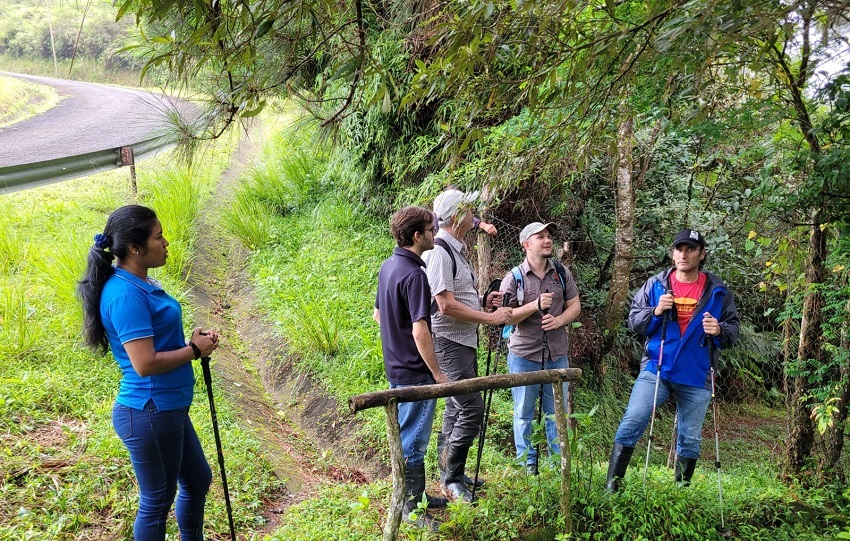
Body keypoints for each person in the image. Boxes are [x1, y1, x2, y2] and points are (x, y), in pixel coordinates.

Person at [77, 205, 219, 541]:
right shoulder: (125, 294)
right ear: (135, 248)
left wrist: (190, 344)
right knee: (157, 501)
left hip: (166, 407)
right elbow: (144, 364)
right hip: (150, 411)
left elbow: (156, 343)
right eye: (159, 237)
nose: (166, 243)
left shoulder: (137, 282)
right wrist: (194, 350)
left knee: (197, 479)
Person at [605, 228, 740, 493]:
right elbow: (634, 322)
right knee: (633, 419)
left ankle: (681, 492)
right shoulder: (655, 285)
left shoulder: (718, 291)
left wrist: (720, 330)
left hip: (697, 372)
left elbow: (733, 331)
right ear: (672, 253)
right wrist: (656, 311)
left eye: (690, 249)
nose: (684, 254)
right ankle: (613, 486)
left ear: (702, 254)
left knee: (690, 437)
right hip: (657, 367)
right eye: (679, 249)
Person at [424, 188, 512, 502]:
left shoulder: (455, 249)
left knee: (455, 407)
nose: (473, 213)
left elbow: (457, 296)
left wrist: (483, 302)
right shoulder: (440, 252)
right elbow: (445, 305)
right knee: (471, 408)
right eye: (468, 208)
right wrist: (490, 318)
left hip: (462, 340)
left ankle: (451, 474)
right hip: (449, 341)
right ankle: (451, 479)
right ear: (457, 216)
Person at [373, 206, 449, 529]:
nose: (435, 234)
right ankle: (412, 509)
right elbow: (420, 331)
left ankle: (417, 497)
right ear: (417, 236)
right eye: (431, 230)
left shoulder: (388, 266)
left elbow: (379, 316)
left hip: (396, 368)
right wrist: (437, 373)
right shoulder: (416, 275)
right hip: (416, 374)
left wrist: (396, 346)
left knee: (408, 437)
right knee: (414, 442)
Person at [499, 222, 581, 473]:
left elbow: (575, 306)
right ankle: (527, 466)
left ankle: (558, 466)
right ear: (526, 244)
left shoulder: (561, 273)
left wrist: (559, 320)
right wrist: (534, 305)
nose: (547, 241)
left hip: (557, 354)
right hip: (524, 355)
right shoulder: (514, 278)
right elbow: (505, 317)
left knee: (557, 413)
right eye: (540, 237)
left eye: (549, 236)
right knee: (523, 413)